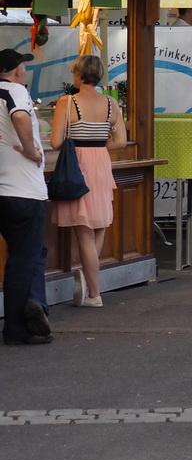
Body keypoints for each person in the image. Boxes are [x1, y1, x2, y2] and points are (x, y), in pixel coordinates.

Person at [49, 54, 126, 306]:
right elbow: (120, 142)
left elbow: (56, 142)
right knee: (98, 225)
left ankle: (95, 293)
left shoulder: (67, 102)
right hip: (101, 162)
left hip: (79, 163)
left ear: (78, 75)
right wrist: (98, 141)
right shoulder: (111, 104)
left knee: (83, 231)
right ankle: (90, 280)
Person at [0, 48, 50, 346]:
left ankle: (36, 310)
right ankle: (18, 329)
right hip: (22, 189)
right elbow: (20, 116)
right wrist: (31, 149)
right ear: (18, 69)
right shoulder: (16, 91)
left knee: (28, 257)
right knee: (23, 260)